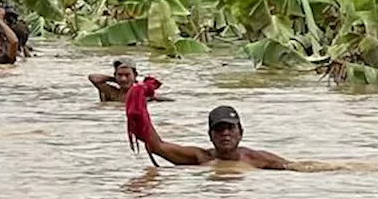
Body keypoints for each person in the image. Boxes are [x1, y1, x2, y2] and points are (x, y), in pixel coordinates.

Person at [136, 104, 291, 170]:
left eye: (230, 128)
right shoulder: (200, 157)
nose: (225, 134)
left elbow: (295, 167)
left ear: (241, 133)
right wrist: (140, 112)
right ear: (210, 135)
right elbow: (158, 146)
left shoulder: (257, 158)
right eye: (219, 129)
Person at [89, 58, 164, 103]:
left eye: (127, 75)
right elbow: (93, 78)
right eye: (120, 75)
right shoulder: (112, 92)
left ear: (135, 75)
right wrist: (116, 80)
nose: (123, 79)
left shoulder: (142, 93)